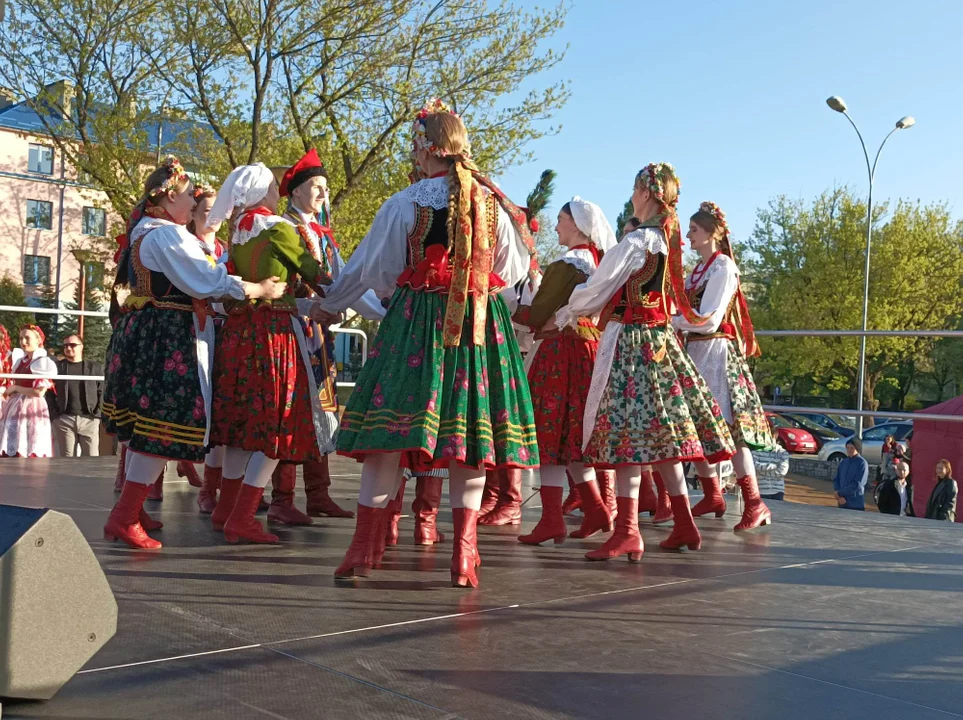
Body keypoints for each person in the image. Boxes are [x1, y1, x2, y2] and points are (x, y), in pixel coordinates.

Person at [317, 99, 539, 587]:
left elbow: (368, 269)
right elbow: (514, 270)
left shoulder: (407, 203)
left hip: (417, 323)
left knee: (387, 436)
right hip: (480, 328)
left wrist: (328, 304)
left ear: (425, 149)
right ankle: (463, 556)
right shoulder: (494, 205)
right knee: (470, 441)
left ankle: (361, 549)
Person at [102, 156, 286, 550]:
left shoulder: (150, 230)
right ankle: (123, 516)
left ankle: (130, 508)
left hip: (155, 333)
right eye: (188, 195)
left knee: (146, 429)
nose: (194, 200)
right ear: (168, 200)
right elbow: (204, 281)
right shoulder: (165, 235)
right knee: (160, 426)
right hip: (168, 338)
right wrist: (257, 290)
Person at [555, 163, 735, 560]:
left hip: (632, 343)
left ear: (646, 193)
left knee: (625, 434)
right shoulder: (665, 240)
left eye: (636, 189)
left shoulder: (638, 241)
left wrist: (570, 308)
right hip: (660, 343)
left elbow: (599, 288)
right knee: (663, 437)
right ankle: (684, 524)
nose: (632, 195)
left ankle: (628, 531)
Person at [207, 163, 335, 545]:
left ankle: (224, 509)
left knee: (238, 429)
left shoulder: (239, 235)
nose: (279, 190)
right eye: (274, 187)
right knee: (278, 425)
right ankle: (243, 516)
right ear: (264, 191)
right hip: (273, 335)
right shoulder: (280, 229)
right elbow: (319, 275)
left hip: (239, 335)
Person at [263, 149, 385, 526]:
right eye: (316, 186)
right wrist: (316, 305)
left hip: (318, 336)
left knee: (323, 409)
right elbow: (285, 287)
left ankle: (318, 494)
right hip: (289, 330)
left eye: (326, 188)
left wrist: (384, 311)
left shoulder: (322, 236)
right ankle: (282, 497)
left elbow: (348, 280)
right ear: (296, 192)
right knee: (291, 411)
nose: (323, 194)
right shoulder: (282, 230)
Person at [514, 197, 619, 545]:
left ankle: (551, 519)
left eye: (561, 219)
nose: (556, 226)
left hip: (559, 352)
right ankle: (595, 508)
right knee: (568, 438)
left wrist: (500, 302)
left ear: (577, 225)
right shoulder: (597, 263)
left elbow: (539, 313)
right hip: (586, 350)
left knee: (549, 434)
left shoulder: (568, 263)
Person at [672, 202, 774, 532]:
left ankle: (755, 502)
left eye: (694, 230)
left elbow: (710, 318)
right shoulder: (698, 271)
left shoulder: (723, 268)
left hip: (717, 353)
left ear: (712, 233)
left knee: (731, 431)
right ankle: (713, 494)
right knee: (696, 425)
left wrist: (669, 321)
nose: (689, 235)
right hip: (696, 352)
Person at [0, 325, 57, 458]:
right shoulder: (20, 361)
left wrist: (16, 388)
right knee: (13, 445)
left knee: (29, 447)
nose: (23, 342)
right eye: (21, 338)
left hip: (31, 406)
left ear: (38, 340)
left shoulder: (42, 362)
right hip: (15, 407)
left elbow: (39, 392)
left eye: (27, 338)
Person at [51, 334, 103, 456]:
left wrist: (97, 415)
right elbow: (49, 392)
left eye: (73, 345)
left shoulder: (95, 368)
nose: (68, 348)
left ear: (81, 347)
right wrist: (55, 414)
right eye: (65, 345)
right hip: (64, 419)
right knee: (67, 460)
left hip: (89, 419)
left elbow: (102, 391)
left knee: (91, 459)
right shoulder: (57, 368)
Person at [832, 438, 868, 511]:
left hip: (855, 504)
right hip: (842, 503)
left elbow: (858, 484)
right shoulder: (843, 462)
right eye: (847, 447)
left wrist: (839, 493)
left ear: (857, 449)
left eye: (852, 448)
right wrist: (839, 495)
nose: (849, 450)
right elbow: (837, 479)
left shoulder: (862, 463)